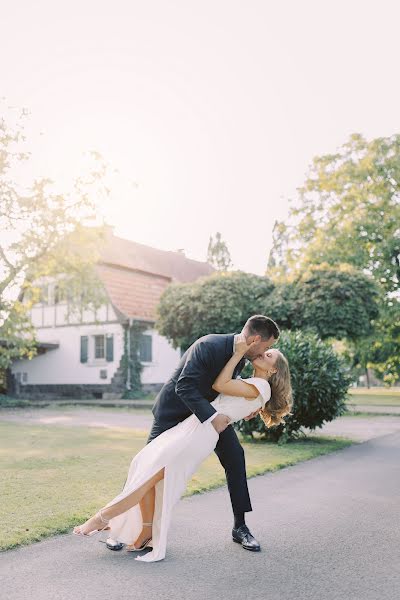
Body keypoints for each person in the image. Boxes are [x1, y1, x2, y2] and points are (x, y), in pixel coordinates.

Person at [73, 325, 293, 563]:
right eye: (267, 346)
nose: (265, 351)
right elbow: (186, 386)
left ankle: (240, 527)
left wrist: (247, 404)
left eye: (269, 351)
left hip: (207, 422)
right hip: (178, 413)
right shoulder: (210, 345)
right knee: (145, 465)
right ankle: (124, 528)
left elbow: (230, 386)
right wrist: (240, 403)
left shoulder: (245, 356)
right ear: (256, 339)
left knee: (235, 460)